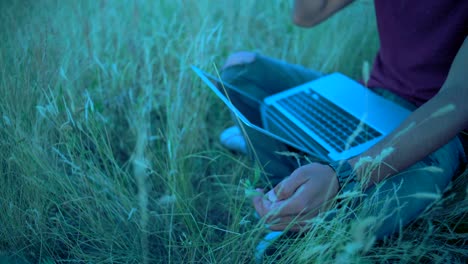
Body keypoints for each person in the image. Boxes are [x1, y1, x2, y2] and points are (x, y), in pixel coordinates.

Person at [217, 0, 468, 260]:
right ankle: (293, 188)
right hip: (370, 97)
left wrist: (346, 176)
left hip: (438, 124)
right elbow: (306, 15)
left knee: (380, 201)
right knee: (241, 71)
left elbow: (459, 98)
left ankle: (305, 188)